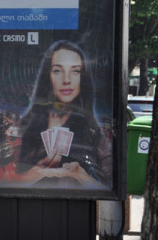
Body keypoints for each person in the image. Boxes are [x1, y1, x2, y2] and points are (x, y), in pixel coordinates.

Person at [15, 40, 112, 188]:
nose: (66, 80)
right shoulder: (24, 127)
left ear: (82, 78)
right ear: (48, 77)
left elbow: (110, 187)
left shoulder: (93, 132)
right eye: (58, 71)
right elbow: (3, 181)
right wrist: (35, 173)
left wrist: (81, 176)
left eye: (75, 71)